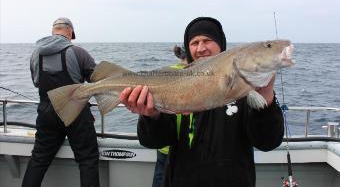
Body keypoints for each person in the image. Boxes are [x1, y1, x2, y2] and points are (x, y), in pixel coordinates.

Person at [119, 17, 284, 187]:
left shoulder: (244, 88)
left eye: (207, 40)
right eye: (194, 42)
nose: (200, 48)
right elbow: (154, 142)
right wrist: (151, 117)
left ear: (221, 45)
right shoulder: (174, 85)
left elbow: (267, 143)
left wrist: (267, 103)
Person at [22, 17, 100, 187]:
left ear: (53, 31)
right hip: (76, 113)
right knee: (87, 160)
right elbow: (97, 79)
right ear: (70, 32)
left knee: (39, 159)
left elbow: (36, 82)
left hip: (46, 112)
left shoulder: (36, 54)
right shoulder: (78, 52)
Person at [152, 45, 187, 187]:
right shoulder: (197, 74)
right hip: (184, 146)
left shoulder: (166, 72)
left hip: (164, 146)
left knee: (161, 179)